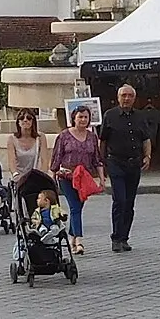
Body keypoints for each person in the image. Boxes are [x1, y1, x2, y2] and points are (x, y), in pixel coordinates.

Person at [100, 84, 153, 252]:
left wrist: (147, 156)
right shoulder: (110, 115)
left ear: (134, 98)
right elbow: (103, 140)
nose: (127, 98)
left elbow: (146, 139)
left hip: (134, 163)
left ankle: (124, 238)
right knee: (119, 200)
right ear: (118, 97)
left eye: (130, 95)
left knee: (129, 202)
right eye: (124, 95)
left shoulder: (140, 116)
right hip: (116, 162)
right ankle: (115, 237)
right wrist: (101, 162)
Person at [51, 105, 105, 253]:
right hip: (66, 176)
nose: (83, 120)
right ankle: (79, 240)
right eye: (80, 116)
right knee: (75, 207)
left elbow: (97, 159)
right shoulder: (64, 136)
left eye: (86, 117)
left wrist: (101, 178)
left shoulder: (92, 137)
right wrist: (52, 177)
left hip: (83, 179)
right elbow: (56, 158)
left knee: (78, 208)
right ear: (74, 118)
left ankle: (72, 238)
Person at [7, 110, 46, 180]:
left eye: (29, 118)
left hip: (36, 176)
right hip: (19, 177)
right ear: (18, 122)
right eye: (21, 118)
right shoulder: (12, 139)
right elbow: (12, 161)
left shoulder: (40, 137)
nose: (25, 120)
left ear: (33, 121)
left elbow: (44, 160)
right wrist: (15, 174)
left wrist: (42, 175)